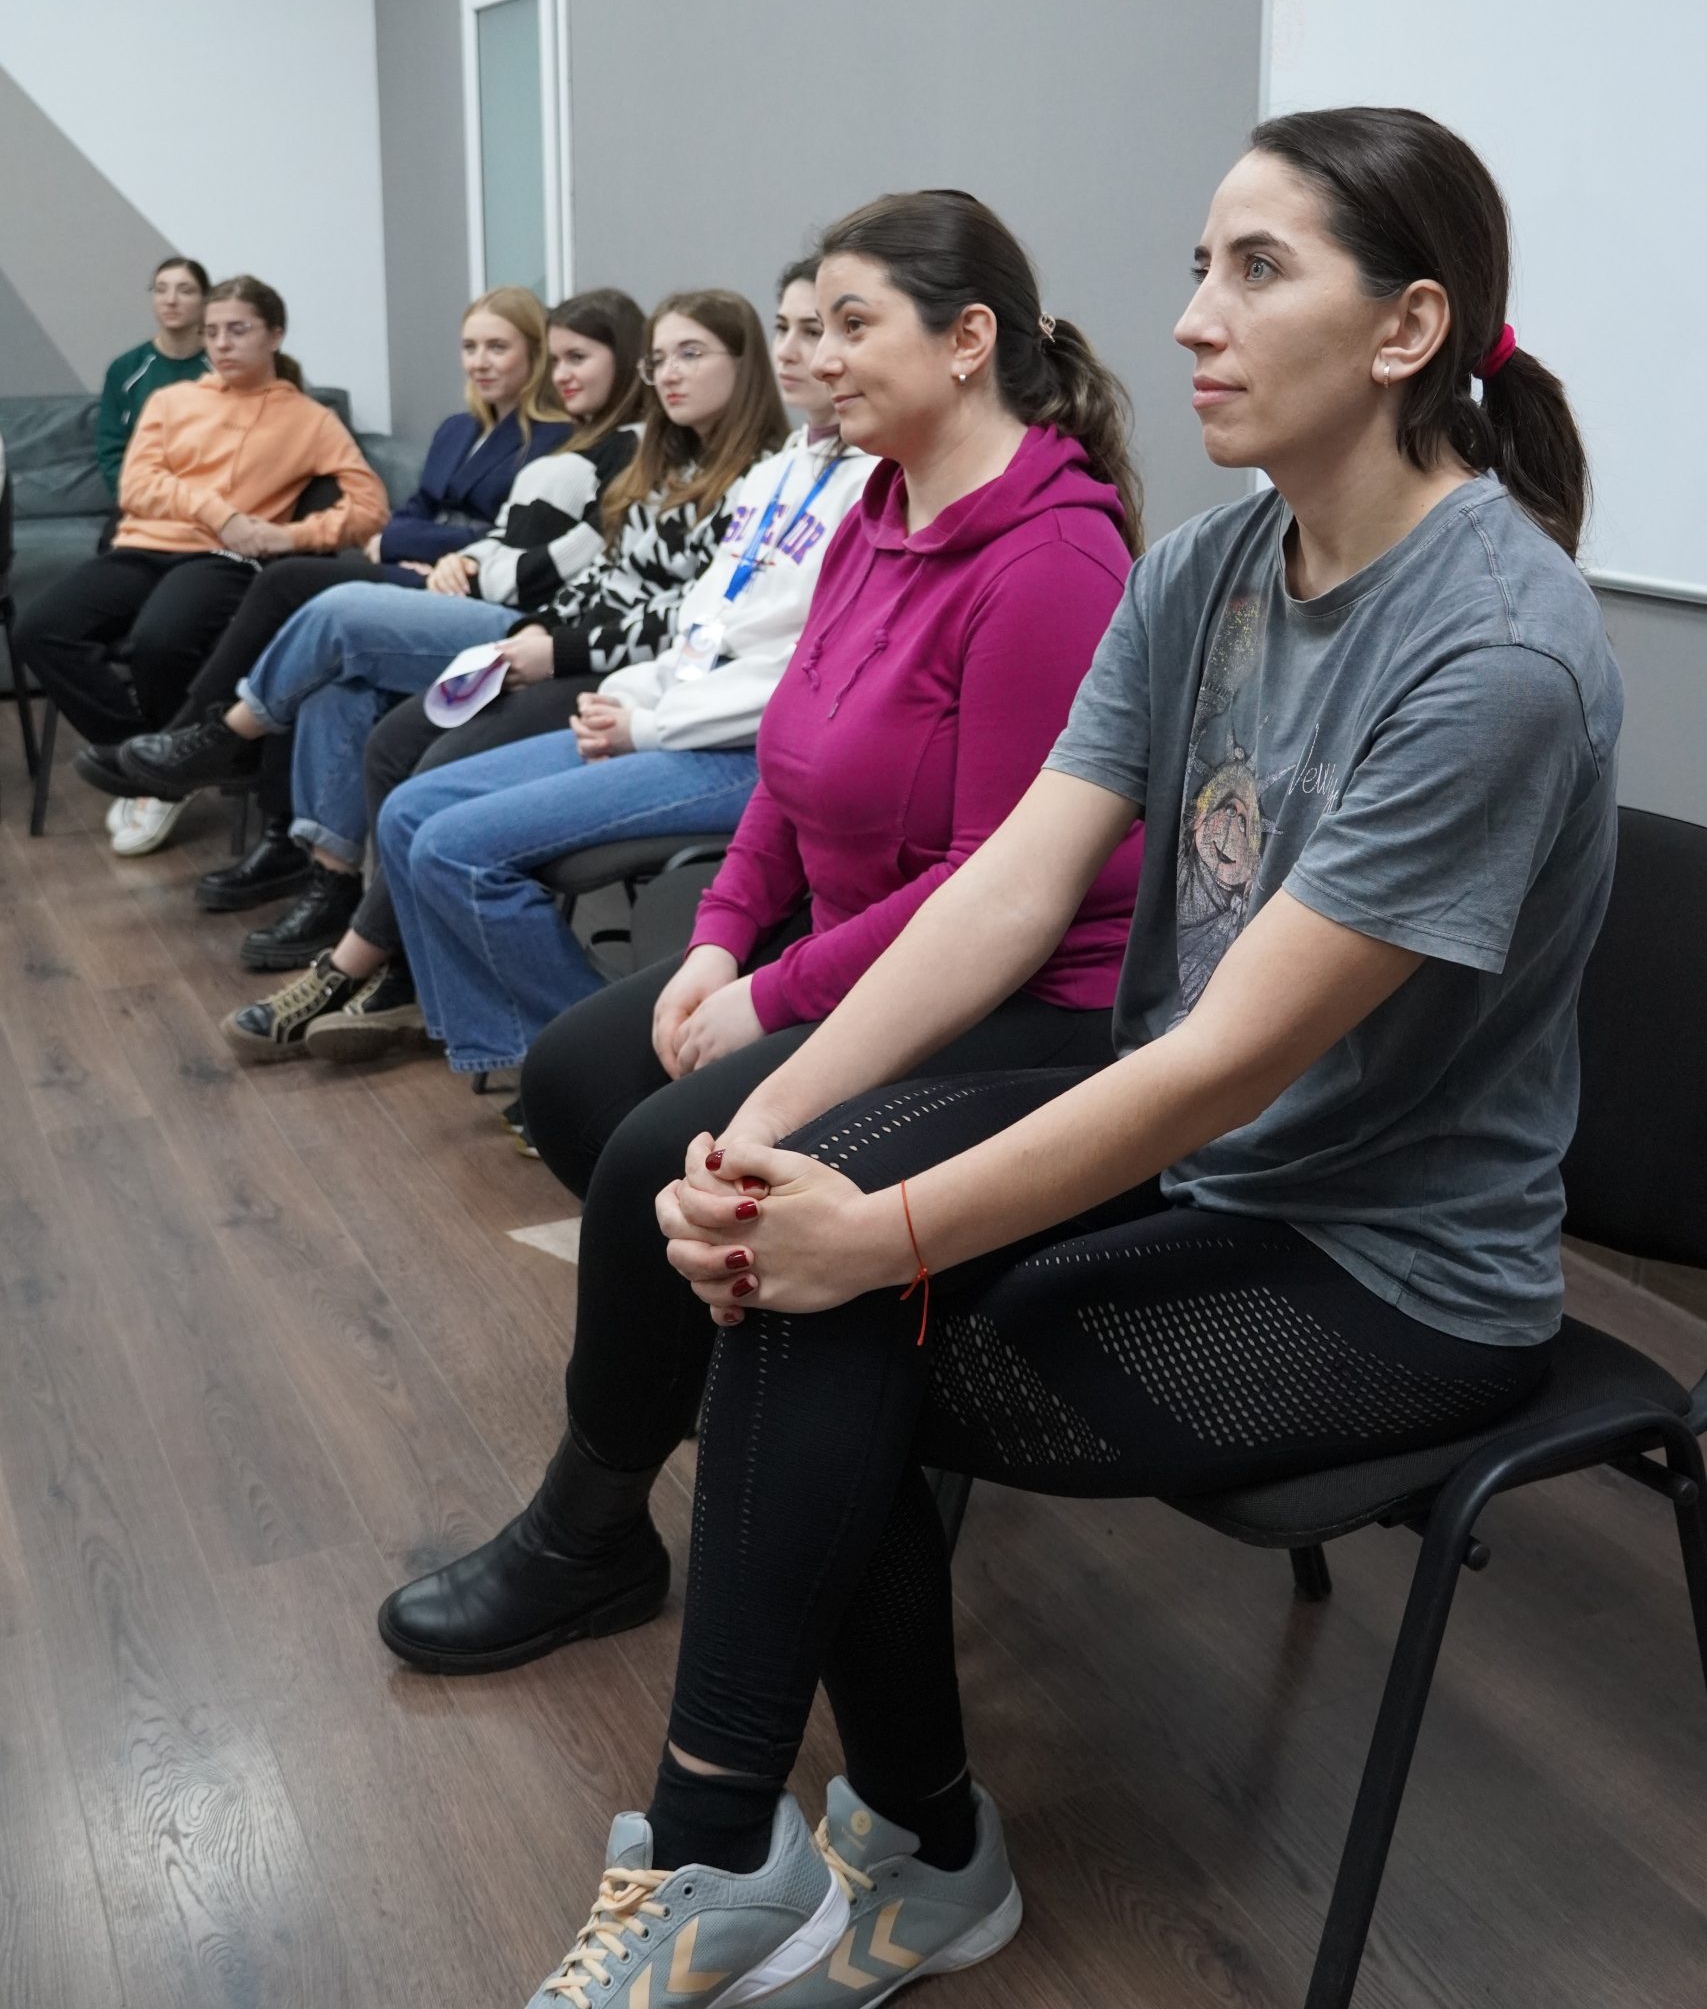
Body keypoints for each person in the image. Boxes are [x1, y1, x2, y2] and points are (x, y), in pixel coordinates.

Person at [499, 109, 1620, 2009]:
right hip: (1215, 1172)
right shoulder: (1208, 571)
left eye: (1254, 270)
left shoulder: (1493, 654)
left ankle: (834, 1848)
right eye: (1197, 265)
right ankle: (815, 1848)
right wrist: (766, 1120)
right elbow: (1010, 889)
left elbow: (1217, 1068)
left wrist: (881, 1232)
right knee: (789, 1244)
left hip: (1391, 1270)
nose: (1190, 316)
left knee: (844, 1304)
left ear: (1409, 327)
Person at [372, 188, 1146, 1722]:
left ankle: (590, 1533)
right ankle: (751, 1356)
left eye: (853, 324)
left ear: (966, 340)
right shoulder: (874, 507)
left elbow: (989, 892)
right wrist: (717, 938)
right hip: (853, 948)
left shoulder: (1054, 564)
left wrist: (772, 992)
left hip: (1022, 1004)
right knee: (574, 1076)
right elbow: (788, 766)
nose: (818, 357)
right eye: (814, 325)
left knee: (651, 1160)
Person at [223, 261, 875, 1077]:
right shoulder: (774, 473)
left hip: (721, 742)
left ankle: (588, 1066)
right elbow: (699, 622)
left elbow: (788, 668)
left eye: (826, 329)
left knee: (435, 815)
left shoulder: (856, 485)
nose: (800, 351)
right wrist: (624, 695)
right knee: (406, 800)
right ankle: (501, 1042)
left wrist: (630, 709)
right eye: (789, 328)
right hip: (647, 698)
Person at [147, 290, 786, 970]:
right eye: (661, 360)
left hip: (607, 669)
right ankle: (352, 908)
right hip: (547, 635)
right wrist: (533, 630)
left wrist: (549, 641)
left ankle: (366, 952)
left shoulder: (743, 477)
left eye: (691, 354)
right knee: (387, 735)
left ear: (743, 363)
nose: (671, 374)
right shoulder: (661, 460)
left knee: (390, 699)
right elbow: (597, 573)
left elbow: (683, 613)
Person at [109, 288, 642, 895]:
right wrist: (447, 550)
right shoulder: (471, 430)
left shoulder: (569, 442)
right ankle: (320, 873)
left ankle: (216, 739)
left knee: (310, 598)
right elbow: (426, 524)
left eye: (500, 347)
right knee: (334, 684)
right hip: (465, 583)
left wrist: (453, 559)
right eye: (470, 347)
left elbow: (527, 562)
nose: (481, 361)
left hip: (508, 615)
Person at [15, 277, 387, 855]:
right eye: (212, 332)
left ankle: (162, 768)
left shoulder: (310, 418)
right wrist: (219, 511)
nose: (221, 344)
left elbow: (370, 508)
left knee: (160, 640)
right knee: (39, 629)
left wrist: (290, 535)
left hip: (223, 560)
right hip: (143, 546)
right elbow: (136, 485)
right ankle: (153, 760)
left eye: (238, 330)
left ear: (275, 335)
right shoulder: (172, 401)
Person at [94, 256, 211, 497]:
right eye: (161, 290)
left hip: (212, 501)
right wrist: (144, 500)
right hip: (144, 500)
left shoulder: (224, 366)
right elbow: (111, 454)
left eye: (185, 291)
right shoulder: (125, 369)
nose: (171, 300)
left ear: (205, 300)